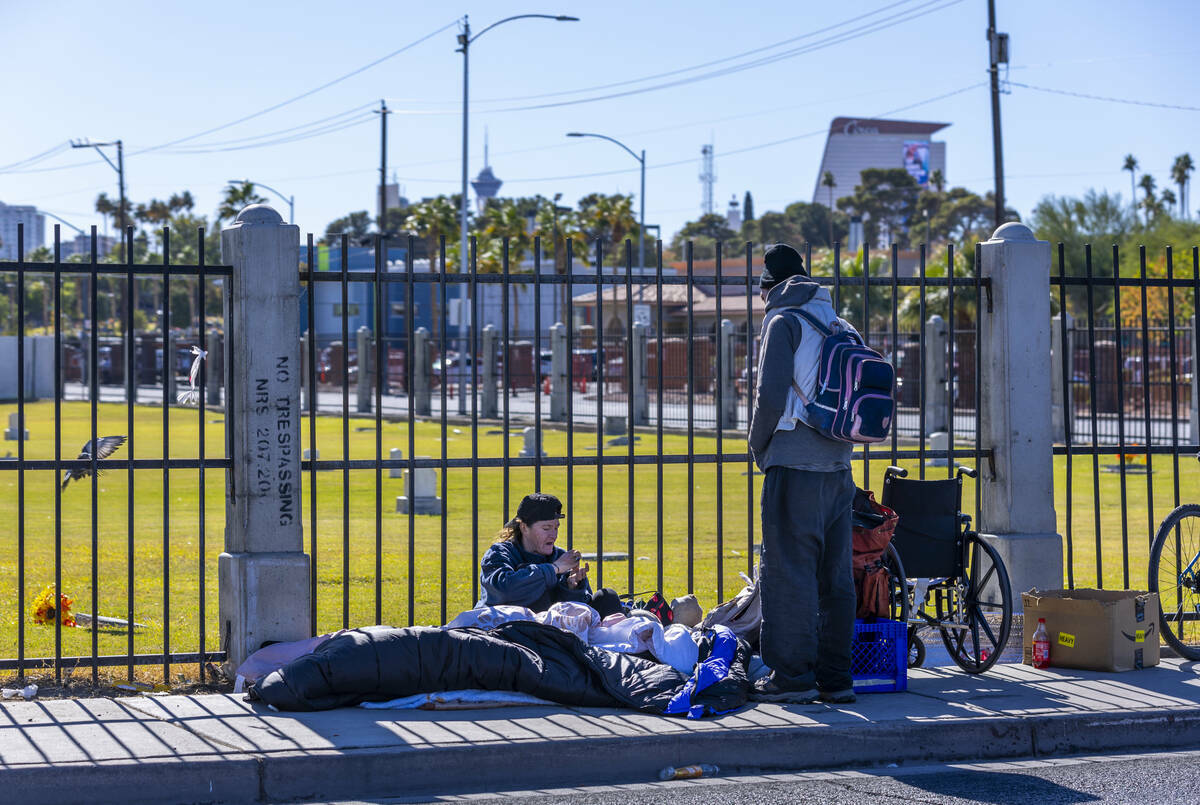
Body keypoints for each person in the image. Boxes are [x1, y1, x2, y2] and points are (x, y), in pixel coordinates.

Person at [747, 243, 857, 705]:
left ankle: (792, 677)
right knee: (836, 578)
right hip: (840, 466)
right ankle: (836, 679)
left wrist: (758, 446)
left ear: (770, 287)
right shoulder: (838, 321)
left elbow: (770, 396)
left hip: (794, 463)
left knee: (788, 573)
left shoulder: (783, 321)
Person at [480, 492, 622, 617]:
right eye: (546, 528)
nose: (553, 535)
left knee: (607, 596)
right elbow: (505, 591)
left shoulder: (559, 556)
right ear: (524, 527)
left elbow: (574, 613)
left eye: (556, 528)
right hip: (505, 633)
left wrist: (572, 587)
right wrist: (554, 568)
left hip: (550, 635)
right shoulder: (499, 554)